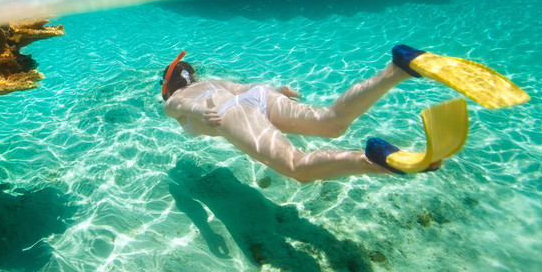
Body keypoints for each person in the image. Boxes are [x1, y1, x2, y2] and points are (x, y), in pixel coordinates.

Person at [160, 48, 436, 182]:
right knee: (332, 122)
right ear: (191, 75)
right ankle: (397, 70)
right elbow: (244, 89)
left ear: (168, 86)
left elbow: (178, 107)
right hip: (257, 95)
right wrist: (276, 91)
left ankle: (374, 162)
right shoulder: (211, 82)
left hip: (227, 112)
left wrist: (202, 112)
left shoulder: (175, 97)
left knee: (298, 167)